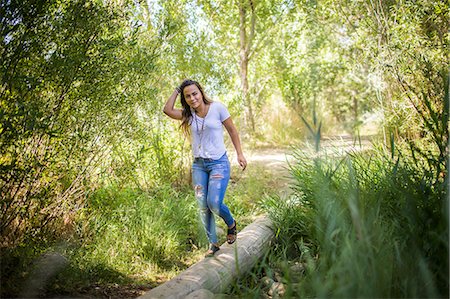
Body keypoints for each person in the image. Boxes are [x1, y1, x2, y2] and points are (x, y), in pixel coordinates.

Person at [163, 79, 247, 257]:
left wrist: (239, 154)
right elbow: (167, 110)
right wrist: (177, 89)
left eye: (194, 93)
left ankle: (231, 224)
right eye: (188, 96)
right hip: (199, 165)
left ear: (201, 92)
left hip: (218, 163)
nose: (192, 98)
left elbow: (232, 130)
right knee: (203, 205)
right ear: (185, 99)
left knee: (214, 203)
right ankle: (213, 243)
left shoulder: (218, 108)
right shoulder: (188, 115)